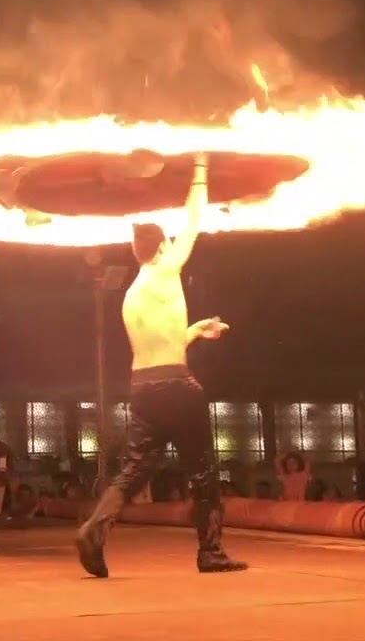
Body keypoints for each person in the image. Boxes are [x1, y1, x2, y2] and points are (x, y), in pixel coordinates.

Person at [75, 154, 247, 577]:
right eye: (169, 241)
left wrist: (194, 330)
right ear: (161, 247)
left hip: (143, 387)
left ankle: (94, 529)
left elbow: (160, 345)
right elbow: (194, 220)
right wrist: (201, 167)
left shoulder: (133, 294)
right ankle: (211, 552)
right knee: (203, 471)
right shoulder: (166, 268)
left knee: (133, 471)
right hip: (177, 386)